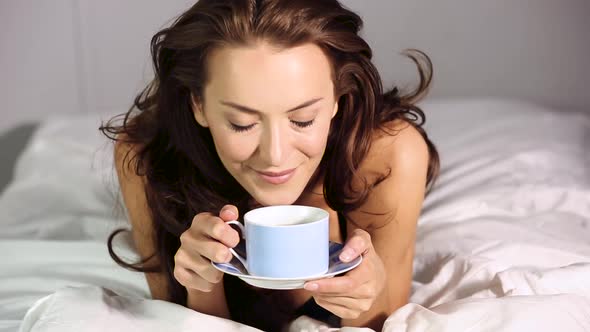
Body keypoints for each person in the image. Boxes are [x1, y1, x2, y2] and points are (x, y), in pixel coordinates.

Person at [100, 0, 439, 330]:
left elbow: (378, 325)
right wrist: (203, 285)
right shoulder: (147, 158)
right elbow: (185, 320)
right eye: (242, 124)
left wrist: (368, 293)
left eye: (303, 120)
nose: (275, 156)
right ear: (199, 105)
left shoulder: (386, 156)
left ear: (338, 97)